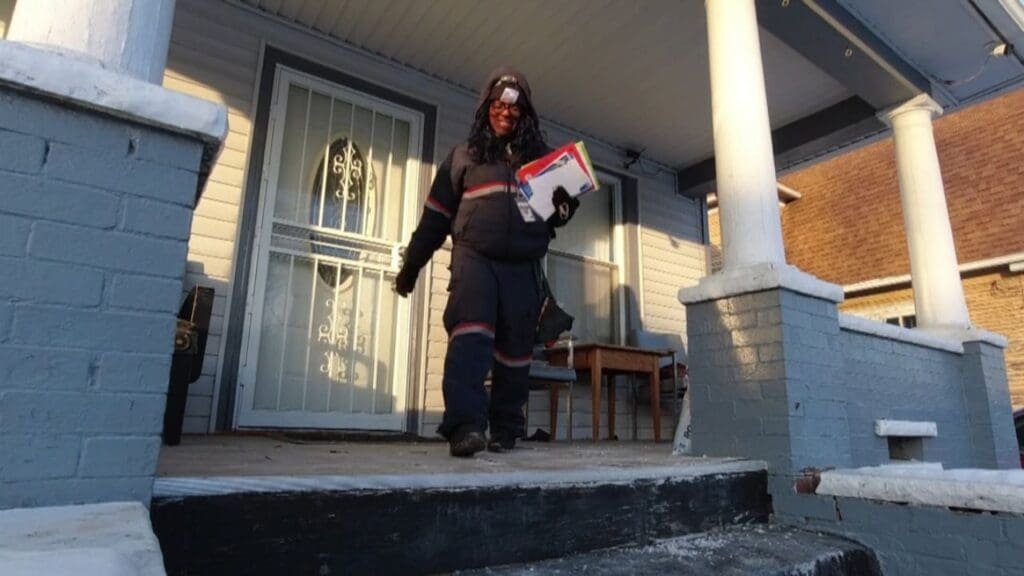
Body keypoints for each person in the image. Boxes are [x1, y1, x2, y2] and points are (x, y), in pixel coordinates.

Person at [393, 67, 579, 457]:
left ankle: (506, 428)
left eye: (515, 107)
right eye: (498, 104)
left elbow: (556, 215)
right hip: (474, 262)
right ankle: (466, 427)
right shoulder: (465, 156)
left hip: (524, 268)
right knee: (470, 340)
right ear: (486, 107)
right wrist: (411, 267)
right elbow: (435, 218)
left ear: (525, 114)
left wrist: (565, 205)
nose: (505, 112)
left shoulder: (543, 162)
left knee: (515, 351)